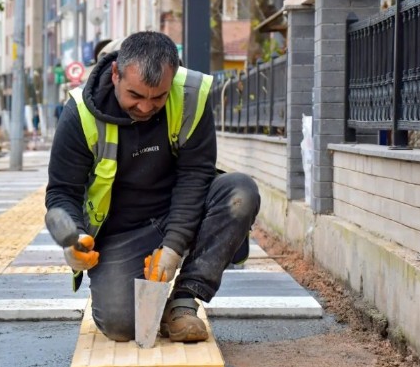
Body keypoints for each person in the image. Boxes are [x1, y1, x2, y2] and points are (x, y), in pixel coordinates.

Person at [45, 31, 260, 343]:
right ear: (116, 74)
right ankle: (150, 303)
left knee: (240, 192)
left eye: (157, 97)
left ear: (171, 80)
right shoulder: (79, 113)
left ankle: (184, 302)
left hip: (184, 211)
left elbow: (195, 176)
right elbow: (61, 193)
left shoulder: (189, 96)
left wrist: (173, 248)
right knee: (120, 326)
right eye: (135, 95)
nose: (145, 108)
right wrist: (74, 238)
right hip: (122, 232)